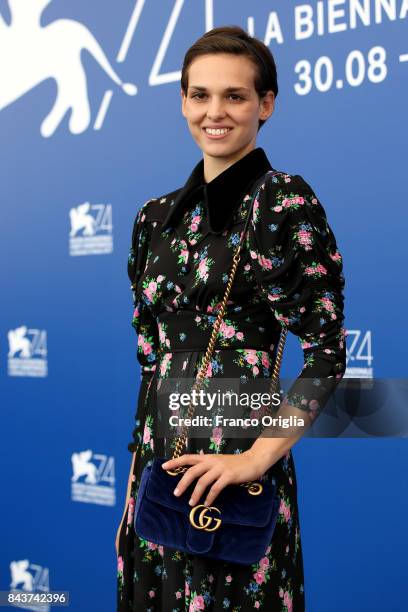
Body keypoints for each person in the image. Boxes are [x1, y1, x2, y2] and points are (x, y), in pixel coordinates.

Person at [116, 25, 347, 612]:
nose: (214, 112)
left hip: (241, 461)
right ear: (183, 102)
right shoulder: (154, 217)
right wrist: (134, 473)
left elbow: (326, 353)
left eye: (235, 96)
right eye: (199, 95)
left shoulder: (284, 201)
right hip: (159, 463)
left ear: (265, 104)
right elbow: (151, 356)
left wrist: (254, 457)